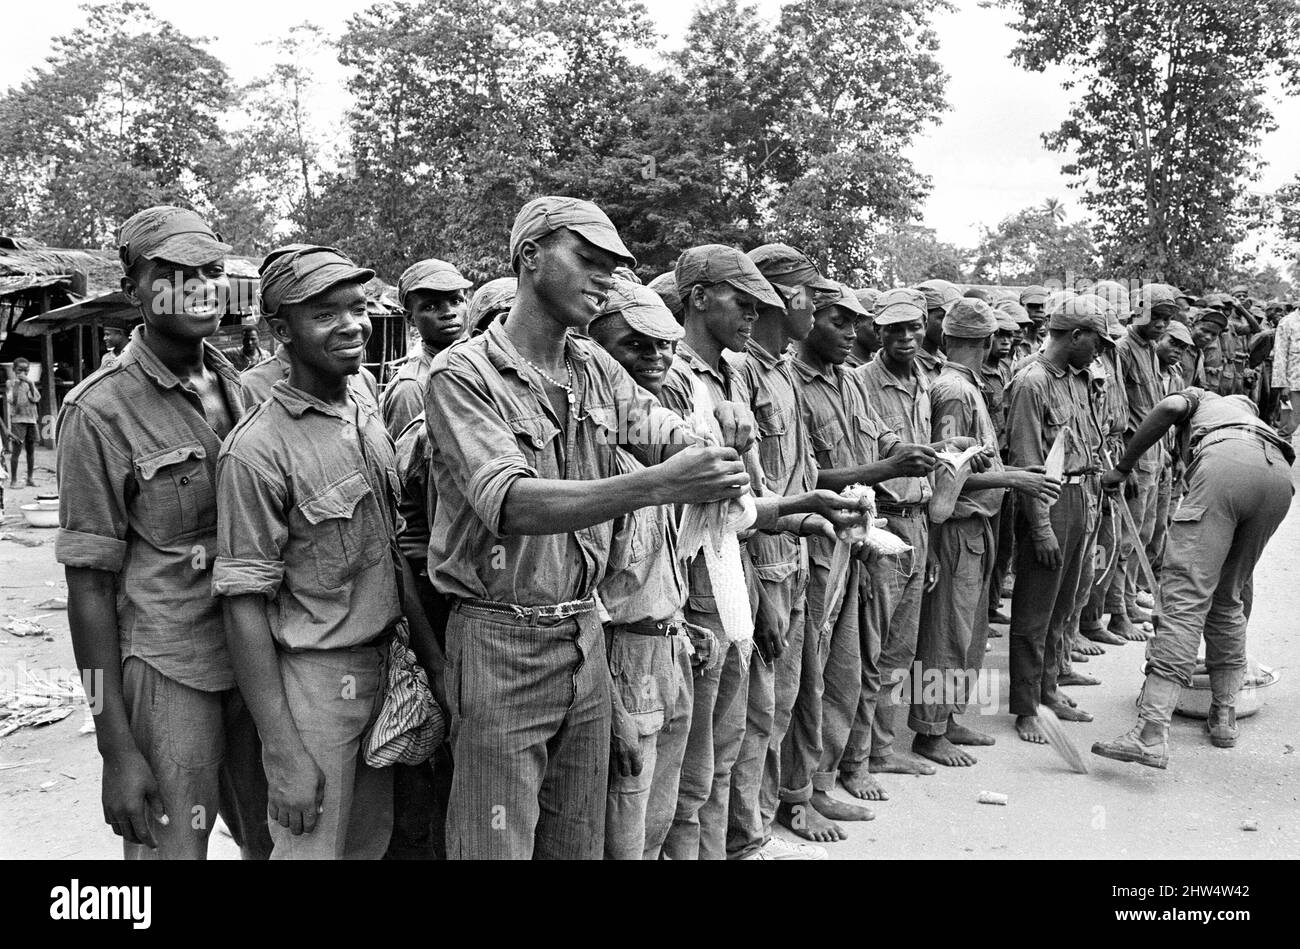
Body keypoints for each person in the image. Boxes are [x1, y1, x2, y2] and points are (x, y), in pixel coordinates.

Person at [423, 199, 752, 860]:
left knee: (577, 841)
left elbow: (653, 432)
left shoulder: (593, 368)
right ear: (529, 257)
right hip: (501, 639)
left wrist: (711, 444)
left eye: (613, 268)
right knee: (495, 843)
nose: (604, 279)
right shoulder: (463, 375)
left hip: (585, 632)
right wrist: (662, 482)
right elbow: (510, 500)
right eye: (589, 261)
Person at [213, 244, 446, 860]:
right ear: (279, 330)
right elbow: (242, 605)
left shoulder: (365, 404)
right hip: (314, 687)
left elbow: (391, 554)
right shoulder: (256, 450)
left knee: (368, 846)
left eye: (358, 307)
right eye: (324, 314)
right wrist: (283, 750)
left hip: (381, 671)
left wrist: (435, 667)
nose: (352, 325)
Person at [56, 205, 269, 860]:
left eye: (209, 271)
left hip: (259, 661)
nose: (198, 287)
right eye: (173, 273)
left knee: (283, 844)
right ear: (134, 289)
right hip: (171, 672)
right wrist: (115, 750)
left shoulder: (241, 388)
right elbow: (87, 590)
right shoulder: (98, 412)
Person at [657, 243, 853, 861]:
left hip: (736, 571)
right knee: (694, 758)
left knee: (736, 734)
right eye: (741, 304)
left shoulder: (735, 372)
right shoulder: (672, 379)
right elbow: (698, 512)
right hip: (697, 583)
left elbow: (752, 498)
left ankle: (736, 844)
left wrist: (805, 512)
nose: (751, 317)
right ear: (697, 299)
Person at [1091, 386, 1294, 768]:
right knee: (1227, 596)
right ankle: (1223, 716)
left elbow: (1168, 406)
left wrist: (1122, 467)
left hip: (1225, 468)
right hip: (1278, 478)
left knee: (1184, 601)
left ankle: (1150, 733)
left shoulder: (1201, 399)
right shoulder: (1248, 417)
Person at [794, 285, 942, 807]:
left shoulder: (844, 382)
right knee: (826, 673)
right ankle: (816, 784)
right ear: (807, 317)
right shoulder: (794, 382)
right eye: (838, 321)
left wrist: (912, 451)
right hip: (818, 545)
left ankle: (850, 764)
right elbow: (806, 477)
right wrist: (889, 468)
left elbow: (881, 437)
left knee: (864, 660)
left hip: (868, 538)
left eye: (855, 323)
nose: (850, 333)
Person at [913, 299, 1061, 765]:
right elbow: (947, 473)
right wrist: (1014, 477)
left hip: (977, 524)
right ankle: (930, 729)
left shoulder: (967, 386)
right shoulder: (955, 391)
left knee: (968, 634)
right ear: (984, 340)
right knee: (946, 633)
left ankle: (948, 717)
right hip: (957, 526)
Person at [586, 281, 694, 860]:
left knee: (657, 819)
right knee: (623, 828)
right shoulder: (598, 468)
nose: (656, 359)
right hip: (623, 663)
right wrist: (617, 711)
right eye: (636, 345)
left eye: (663, 344)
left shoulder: (655, 447)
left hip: (667, 650)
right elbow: (590, 602)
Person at [1005, 295, 1108, 744]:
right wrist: (1041, 525)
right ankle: (1027, 707)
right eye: (1096, 342)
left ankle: (1049, 690)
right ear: (1075, 335)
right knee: (1034, 610)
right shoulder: (1031, 383)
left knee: (1064, 605)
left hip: (1082, 495)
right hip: (1048, 499)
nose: (1099, 351)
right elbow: (1027, 461)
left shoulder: (1078, 379)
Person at [1110, 285, 1176, 642]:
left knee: (1146, 531)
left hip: (1154, 453)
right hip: (1134, 454)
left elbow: (1154, 404)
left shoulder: (1150, 350)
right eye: (1156, 316)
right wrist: (1127, 462)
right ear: (1138, 310)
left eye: (1167, 318)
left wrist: (1163, 450)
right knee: (1126, 538)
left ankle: (1128, 599)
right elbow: (1121, 409)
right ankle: (1117, 613)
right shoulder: (1122, 348)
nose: (1162, 324)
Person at [381, 259, 472, 438]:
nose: (448, 312)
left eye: (456, 301)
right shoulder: (412, 388)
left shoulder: (479, 363)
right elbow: (407, 461)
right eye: (430, 306)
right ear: (410, 318)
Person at [912, 279, 959, 381]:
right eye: (943, 317)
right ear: (922, 317)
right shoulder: (910, 366)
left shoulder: (944, 360)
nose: (951, 324)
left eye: (955, 318)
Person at [7, 356, 39, 487]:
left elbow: (36, 398)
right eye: (20, 370)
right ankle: (14, 480)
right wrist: (17, 384)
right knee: (16, 450)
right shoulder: (11, 383)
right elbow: (12, 400)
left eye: (26, 370)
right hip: (18, 420)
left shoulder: (31, 383)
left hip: (31, 419)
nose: (23, 373)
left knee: (31, 450)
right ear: (14, 370)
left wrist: (30, 384)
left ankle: (30, 478)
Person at [1271, 302, 1300, 436]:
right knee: (1288, 424)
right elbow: (1280, 355)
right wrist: (1283, 385)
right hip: (1292, 384)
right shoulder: (1287, 322)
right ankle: (1281, 453)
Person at [846, 288, 880, 367]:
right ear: (855, 324)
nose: (882, 333)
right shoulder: (842, 369)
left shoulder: (880, 363)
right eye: (876, 326)